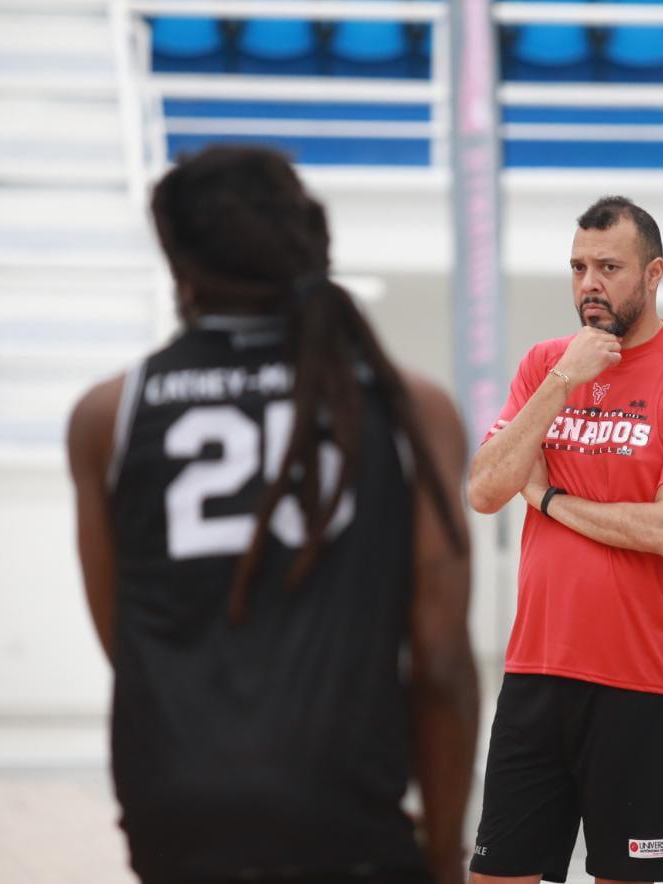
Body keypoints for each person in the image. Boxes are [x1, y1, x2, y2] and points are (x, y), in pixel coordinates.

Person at [66, 146, 479, 884]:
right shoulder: (406, 407)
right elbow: (442, 657)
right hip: (346, 815)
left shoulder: (111, 415)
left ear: (179, 264)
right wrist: (446, 854)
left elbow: (128, 644)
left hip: (174, 810)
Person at [466, 196, 663, 884]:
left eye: (609, 266)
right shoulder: (544, 368)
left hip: (641, 680)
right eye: (579, 266)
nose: (589, 282)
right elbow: (485, 490)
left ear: (653, 275)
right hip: (536, 671)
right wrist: (562, 383)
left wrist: (552, 498)